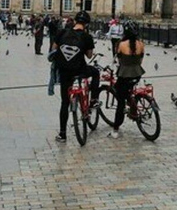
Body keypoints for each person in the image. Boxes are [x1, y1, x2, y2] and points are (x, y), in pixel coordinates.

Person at [52, 11, 100, 143]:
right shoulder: (86, 37)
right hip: (80, 70)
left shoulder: (61, 33)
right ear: (86, 24)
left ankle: (62, 134)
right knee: (95, 72)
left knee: (64, 102)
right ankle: (94, 99)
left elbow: (53, 49)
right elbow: (89, 56)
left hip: (64, 72)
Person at [107, 19, 145, 139]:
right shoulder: (141, 44)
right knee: (127, 90)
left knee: (120, 102)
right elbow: (140, 60)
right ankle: (132, 102)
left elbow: (119, 60)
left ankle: (116, 128)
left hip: (125, 74)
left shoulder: (121, 44)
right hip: (137, 73)